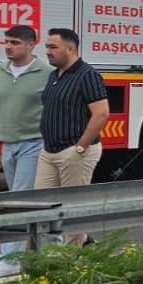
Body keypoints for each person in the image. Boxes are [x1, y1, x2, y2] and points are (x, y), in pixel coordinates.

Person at [0, 25, 51, 279]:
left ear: (31, 45)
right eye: (6, 41)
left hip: (34, 143)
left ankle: (10, 259)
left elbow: (56, 107)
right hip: (8, 145)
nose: (8, 46)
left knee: (16, 200)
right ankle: (48, 250)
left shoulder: (47, 73)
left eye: (15, 42)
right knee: (27, 199)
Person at [35, 28, 110, 188]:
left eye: (53, 47)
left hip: (74, 152)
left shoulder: (87, 75)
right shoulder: (54, 75)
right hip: (48, 153)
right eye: (47, 47)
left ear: (71, 49)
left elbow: (101, 114)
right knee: (40, 202)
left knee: (71, 206)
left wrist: (81, 148)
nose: (48, 52)